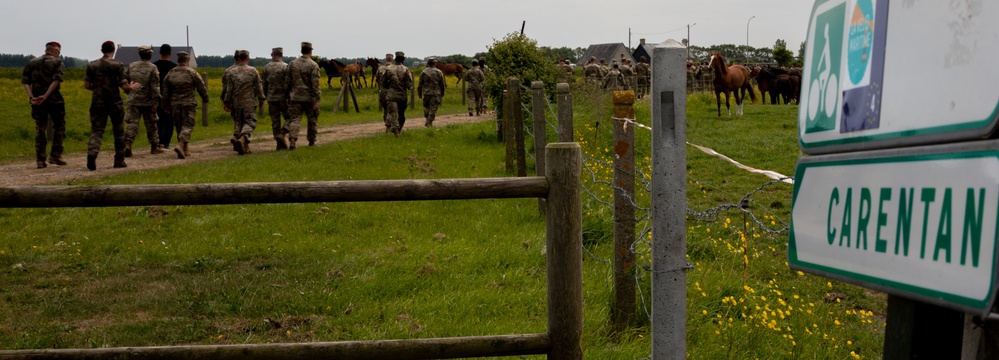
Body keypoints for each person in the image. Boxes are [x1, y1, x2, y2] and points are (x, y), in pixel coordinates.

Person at [84, 40, 138, 171]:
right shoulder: (117, 65)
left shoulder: (92, 65)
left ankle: (92, 152)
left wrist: (98, 90)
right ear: (113, 50)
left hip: (97, 102)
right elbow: (123, 85)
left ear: (102, 50)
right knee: (118, 131)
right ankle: (119, 160)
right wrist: (131, 87)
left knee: (97, 130)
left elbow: (87, 86)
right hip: (114, 102)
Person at [21, 41, 66, 169]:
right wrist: (46, 96)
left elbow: (25, 82)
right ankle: (55, 155)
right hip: (54, 99)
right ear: (55, 51)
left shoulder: (32, 62)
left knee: (40, 128)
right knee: (59, 127)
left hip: (36, 100)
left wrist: (31, 97)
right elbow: (56, 80)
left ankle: (40, 160)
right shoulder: (58, 62)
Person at [162, 51, 208, 159]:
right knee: (188, 125)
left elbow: (165, 91)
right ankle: (181, 145)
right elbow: (201, 87)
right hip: (188, 103)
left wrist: (165, 104)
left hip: (175, 103)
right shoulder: (192, 72)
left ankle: (184, 149)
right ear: (187, 61)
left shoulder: (171, 73)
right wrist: (205, 98)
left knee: (179, 126)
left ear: (178, 60)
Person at [221, 50, 264, 155]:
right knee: (250, 122)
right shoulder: (253, 71)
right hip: (249, 102)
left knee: (239, 123)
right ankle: (243, 138)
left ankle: (242, 144)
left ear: (238, 58)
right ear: (247, 58)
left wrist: (226, 102)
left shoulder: (231, 72)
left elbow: (228, 90)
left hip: (236, 103)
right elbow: (259, 87)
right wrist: (261, 99)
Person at [123, 45, 163, 157]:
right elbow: (155, 86)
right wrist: (156, 101)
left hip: (134, 100)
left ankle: (128, 144)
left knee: (132, 123)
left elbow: (125, 82)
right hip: (148, 101)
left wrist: (130, 93)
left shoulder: (131, 66)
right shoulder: (152, 67)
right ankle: (154, 146)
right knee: (151, 124)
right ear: (149, 54)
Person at [285, 41, 321, 149]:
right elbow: (315, 84)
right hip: (309, 98)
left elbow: (287, 82)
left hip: (295, 97)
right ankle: (311, 141)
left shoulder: (292, 64)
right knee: (312, 120)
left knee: (295, 119)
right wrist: (317, 99)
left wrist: (287, 95)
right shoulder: (313, 65)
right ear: (310, 51)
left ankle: (292, 139)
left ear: (301, 51)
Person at [378, 51, 413, 136]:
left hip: (392, 95)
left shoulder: (388, 69)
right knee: (401, 114)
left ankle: (395, 131)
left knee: (393, 113)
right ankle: (399, 129)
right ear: (403, 59)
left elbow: (382, 82)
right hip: (402, 96)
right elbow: (409, 85)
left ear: (395, 59)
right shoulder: (405, 69)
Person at [262, 47, 291, 150]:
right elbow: (288, 83)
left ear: (272, 54)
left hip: (271, 98)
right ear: (281, 55)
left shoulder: (267, 68)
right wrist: (289, 96)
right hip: (284, 98)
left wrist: (265, 96)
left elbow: (264, 84)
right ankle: (282, 134)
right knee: (291, 118)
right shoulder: (286, 67)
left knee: (275, 122)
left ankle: (279, 144)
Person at [153, 44, 176, 150]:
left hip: (156, 96)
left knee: (158, 120)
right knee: (169, 120)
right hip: (170, 98)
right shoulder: (174, 67)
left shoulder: (154, 66)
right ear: (170, 53)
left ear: (160, 53)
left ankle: (157, 141)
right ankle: (165, 142)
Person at [418, 58, 446, 127]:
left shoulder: (423, 72)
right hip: (435, 93)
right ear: (434, 63)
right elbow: (442, 83)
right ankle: (430, 122)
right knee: (433, 107)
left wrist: (420, 93)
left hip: (426, 93)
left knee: (426, 107)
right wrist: (442, 92)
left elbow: (420, 84)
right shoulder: (438, 72)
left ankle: (427, 118)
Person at [375, 53, 393, 132]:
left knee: (385, 109)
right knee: (391, 110)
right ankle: (389, 126)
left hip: (382, 92)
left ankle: (387, 123)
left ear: (385, 59)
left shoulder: (380, 68)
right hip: (391, 92)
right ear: (392, 59)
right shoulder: (394, 68)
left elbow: (377, 79)